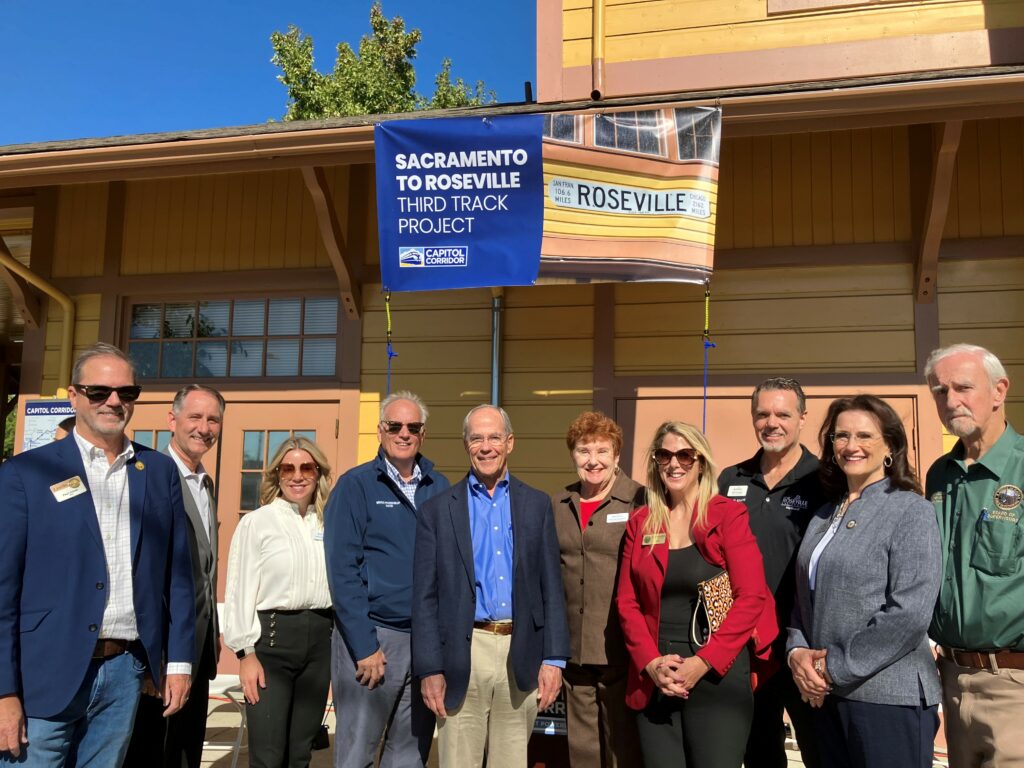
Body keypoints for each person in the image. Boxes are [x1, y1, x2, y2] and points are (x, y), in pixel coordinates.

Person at [0, 342, 195, 765]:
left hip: (124, 673)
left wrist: (178, 661)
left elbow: (178, 577)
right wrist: (3, 691)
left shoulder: (158, 471)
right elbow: (3, 591)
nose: (113, 401)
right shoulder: (26, 474)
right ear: (73, 396)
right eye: (99, 392)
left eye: (126, 393)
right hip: (42, 677)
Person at [412, 404, 570, 768]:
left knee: (511, 761)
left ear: (510, 443)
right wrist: (429, 668)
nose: (486, 446)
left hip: (522, 651)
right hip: (463, 650)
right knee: (458, 761)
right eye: (476, 438)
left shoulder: (536, 505)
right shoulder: (437, 511)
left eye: (494, 437)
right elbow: (424, 599)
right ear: (465, 444)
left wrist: (554, 658)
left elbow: (552, 588)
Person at [787, 394, 941, 768]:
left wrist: (831, 668)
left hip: (887, 699)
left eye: (864, 436)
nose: (851, 446)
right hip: (824, 698)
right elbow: (802, 598)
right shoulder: (825, 513)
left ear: (889, 445)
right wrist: (797, 653)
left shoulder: (910, 510)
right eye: (841, 436)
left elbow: (909, 614)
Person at [617, 421, 776, 768]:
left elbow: (751, 598)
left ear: (700, 462)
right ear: (656, 463)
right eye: (665, 455)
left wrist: (702, 663)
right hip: (657, 675)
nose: (675, 464)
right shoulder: (641, 522)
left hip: (717, 672)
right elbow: (626, 603)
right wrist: (651, 662)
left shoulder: (728, 516)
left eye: (685, 455)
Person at [324, 391, 450, 768]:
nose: (404, 433)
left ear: (423, 434)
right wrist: (364, 645)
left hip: (425, 642)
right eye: (395, 425)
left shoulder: (439, 486)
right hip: (373, 641)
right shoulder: (356, 485)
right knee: (356, 754)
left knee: (410, 756)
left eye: (413, 427)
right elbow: (342, 570)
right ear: (381, 430)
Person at [924, 343, 1024, 768]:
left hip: (1015, 686)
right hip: (950, 680)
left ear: (999, 390)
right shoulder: (940, 475)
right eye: (939, 391)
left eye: (963, 387)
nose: (950, 401)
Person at [717, 377, 822, 768]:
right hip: (748, 646)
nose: (771, 423)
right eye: (762, 414)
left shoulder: (824, 480)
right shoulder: (732, 479)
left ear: (802, 418)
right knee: (759, 751)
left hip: (804, 645)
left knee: (819, 750)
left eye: (783, 414)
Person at [126, 384, 225, 768]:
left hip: (197, 649)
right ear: (172, 420)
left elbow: (202, 569)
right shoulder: (148, 476)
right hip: (161, 654)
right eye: (195, 417)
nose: (204, 427)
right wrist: (159, 658)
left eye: (213, 419)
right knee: (153, 753)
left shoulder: (205, 484)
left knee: (187, 753)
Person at [222, 437, 334, 768]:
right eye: (288, 468)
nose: (297, 476)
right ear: (276, 474)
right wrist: (245, 654)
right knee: (268, 754)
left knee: (300, 753)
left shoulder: (329, 523)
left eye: (306, 467)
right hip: (270, 645)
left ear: (318, 473)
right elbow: (239, 589)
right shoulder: (257, 523)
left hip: (320, 645)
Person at [552, 411, 643, 767]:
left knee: (623, 745)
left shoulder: (640, 500)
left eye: (602, 451)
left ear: (617, 455)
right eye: (583, 451)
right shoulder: (558, 505)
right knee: (583, 749)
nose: (593, 461)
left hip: (621, 646)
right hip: (574, 649)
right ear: (572, 455)